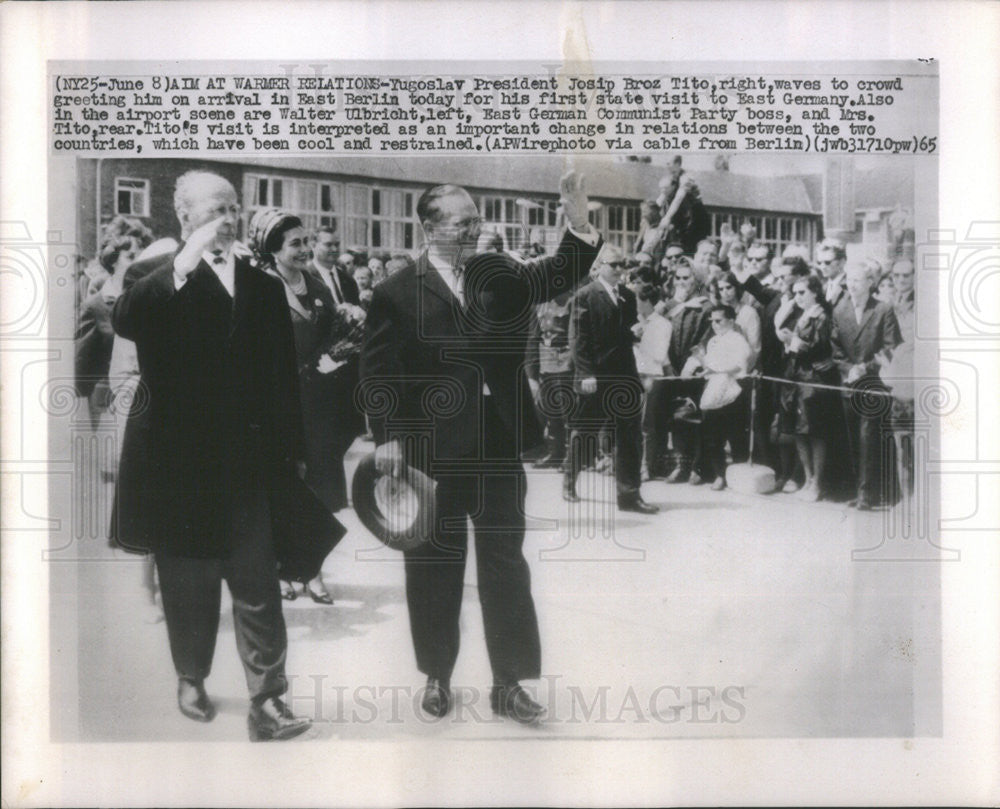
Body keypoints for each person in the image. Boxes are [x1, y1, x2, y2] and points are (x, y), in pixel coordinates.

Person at [360, 170, 601, 724]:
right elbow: (378, 374)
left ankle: (509, 683)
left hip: (497, 442)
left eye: (477, 220)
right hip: (432, 452)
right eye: (463, 222)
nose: (475, 230)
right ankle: (437, 676)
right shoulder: (395, 293)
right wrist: (388, 438)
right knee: (434, 565)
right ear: (429, 228)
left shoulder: (501, 277)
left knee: (504, 564)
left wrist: (580, 221)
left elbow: (563, 269)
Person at [111, 170, 311, 741]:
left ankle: (268, 700)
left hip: (247, 460)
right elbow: (127, 320)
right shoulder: (153, 275)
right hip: (178, 463)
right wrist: (183, 263)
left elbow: (281, 380)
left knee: (257, 584)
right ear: (184, 217)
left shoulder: (262, 284)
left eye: (235, 207)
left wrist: (294, 452)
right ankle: (190, 675)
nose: (229, 218)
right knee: (189, 582)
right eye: (215, 209)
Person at [251, 211, 363, 605]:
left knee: (319, 490)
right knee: (280, 489)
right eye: (294, 243)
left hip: (316, 405)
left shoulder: (315, 286)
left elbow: (333, 333)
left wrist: (337, 354)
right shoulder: (259, 286)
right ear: (272, 249)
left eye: (305, 241)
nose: (304, 249)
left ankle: (312, 571)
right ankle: (279, 570)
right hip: (276, 405)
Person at [563, 245, 659, 514]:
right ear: (599, 267)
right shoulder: (585, 296)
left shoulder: (628, 296)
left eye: (623, 265)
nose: (619, 270)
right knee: (586, 434)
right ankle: (569, 481)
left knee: (629, 438)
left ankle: (629, 496)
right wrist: (585, 374)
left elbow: (623, 336)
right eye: (613, 264)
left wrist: (634, 333)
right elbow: (578, 339)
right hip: (596, 376)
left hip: (624, 376)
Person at [830, 262, 903, 509]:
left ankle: (867, 494)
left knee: (868, 437)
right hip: (849, 384)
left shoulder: (883, 310)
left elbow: (891, 346)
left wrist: (866, 366)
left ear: (870, 283)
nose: (852, 285)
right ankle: (861, 488)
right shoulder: (840, 310)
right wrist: (848, 368)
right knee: (854, 438)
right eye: (849, 280)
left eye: (858, 280)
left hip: (874, 383)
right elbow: (836, 349)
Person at [75, 223, 152, 433]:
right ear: (113, 261)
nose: (138, 262)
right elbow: (81, 367)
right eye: (131, 256)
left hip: (146, 405)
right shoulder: (95, 306)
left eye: (141, 256)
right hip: (108, 406)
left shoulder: (148, 302)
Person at [778, 274, 841, 502]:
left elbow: (820, 347)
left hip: (813, 380)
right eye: (795, 293)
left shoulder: (822, 316)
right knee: (799, 432)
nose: (798, 297)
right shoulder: (802, 315)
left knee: (814, 432)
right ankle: (807, 478)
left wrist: (791, 342)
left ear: (815, 292)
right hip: (796, 378)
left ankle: (817, 482)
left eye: (802, 292)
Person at [691, 305, 753, 490]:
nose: (715, 325)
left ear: (731, 321)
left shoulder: (739, 340)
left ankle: (738, 476)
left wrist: (715, 367)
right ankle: (719, 474)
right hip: (715, 390)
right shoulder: (713, 341)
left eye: (719, 321)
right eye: (712, 321)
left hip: (733, 392)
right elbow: (711, 367)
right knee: (712, 436)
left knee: (736, 436)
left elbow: (737, 366)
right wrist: (705, 367)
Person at [880, 258, 916, 505]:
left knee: (919, 443)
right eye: (897, 276)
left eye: (906, 275)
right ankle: (905, 497)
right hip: (896, 378)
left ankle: (919, 495)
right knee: (900, 442)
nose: (901, 280)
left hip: (918, 376)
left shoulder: (923, 305)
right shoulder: (888, 305)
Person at [525, 292, 574, 470]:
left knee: (567, 410)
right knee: (550, 410)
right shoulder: (539, 305)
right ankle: (555, 453)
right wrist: (532, 372)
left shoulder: (572, 301)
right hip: (546, 361)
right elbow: (533, 337)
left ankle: (571, 456)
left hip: (566, 361)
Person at [633, 283, 673, 479]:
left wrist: (637, 343)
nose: (635, 304)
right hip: (637, 376)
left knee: (647, 424)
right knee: (636, 423)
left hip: (651, 377)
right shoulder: (640, 323)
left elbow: (659, 354)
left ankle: (646, 467)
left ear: (646, 301)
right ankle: (635, 464)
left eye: (637, 300)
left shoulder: (662, 324)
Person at [712, 270, 761, 370]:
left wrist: (742, 370)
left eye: (729, 287)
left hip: (745, 367)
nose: (725, 292)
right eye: (721, 289)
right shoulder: (717, 313)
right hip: (722, 367)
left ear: (736, 288)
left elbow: (755, 348)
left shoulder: (749, 312)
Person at [310, 225, 360, 306]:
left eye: (337, 244)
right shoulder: (305, 278)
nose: (334, 249)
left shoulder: (349, 281)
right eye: (328, 245)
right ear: (313, 245)